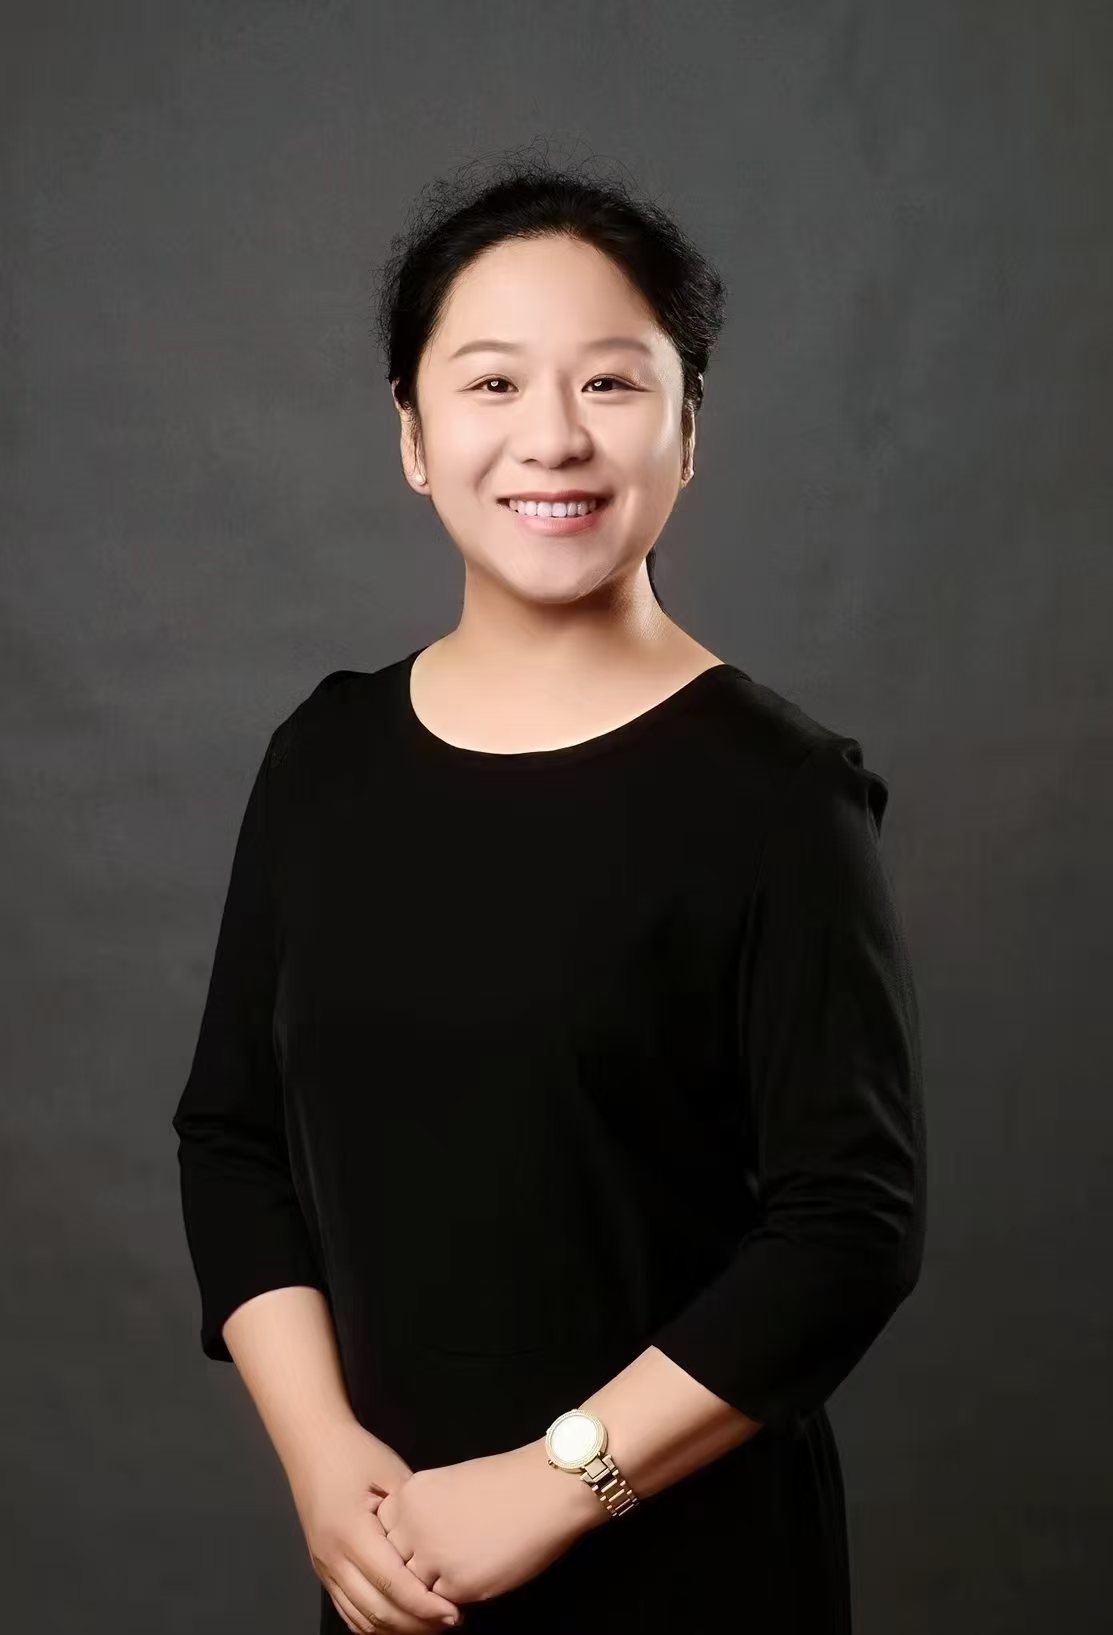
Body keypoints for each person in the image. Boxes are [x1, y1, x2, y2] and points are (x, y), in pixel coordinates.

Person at [171, 156, 926, 1635]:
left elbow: (849, 1226)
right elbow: (232, 1141)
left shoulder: (779, 795)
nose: (555, 437)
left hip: (693, 1575)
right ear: (413, 435)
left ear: (688, 429)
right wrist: (322, 1465)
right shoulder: (324, 760)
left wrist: (553, 1483)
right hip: (395, 1564)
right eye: (494, 383)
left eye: (612, 383)